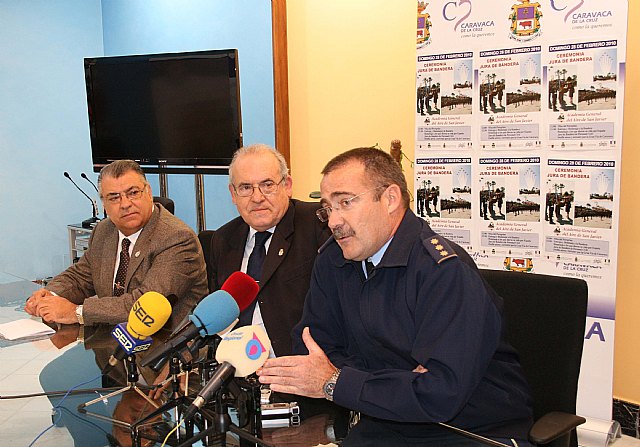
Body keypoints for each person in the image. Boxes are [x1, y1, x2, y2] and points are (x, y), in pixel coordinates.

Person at [257, 148, 534, 445]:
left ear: (390, 199)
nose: (333, 221)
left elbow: (439, 394)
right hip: (384, 422)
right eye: (327, 208)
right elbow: (311, 348)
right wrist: (398, 381)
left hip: (471, 432)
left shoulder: (443, 272)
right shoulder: (333, 260)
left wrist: (338, 380)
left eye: (345, 203)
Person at [25, 159, 208, 329]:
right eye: (114, 197)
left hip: (166, 345)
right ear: (104, 204)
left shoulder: (177, 238)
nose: (125, 204)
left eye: (133, 193)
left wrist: (76, 312)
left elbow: (143, 307)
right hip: (114, 338)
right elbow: (81, 276)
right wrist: (49, 296)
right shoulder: (104, 230)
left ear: (149, 192)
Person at [206, 144, 331, 356]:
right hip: (238, 366)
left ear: (287, 185)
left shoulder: (317, 226)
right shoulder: (223, 239)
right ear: (233, 194)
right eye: (246, 187)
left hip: (297, 362)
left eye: (267, 185)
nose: (257, 198)